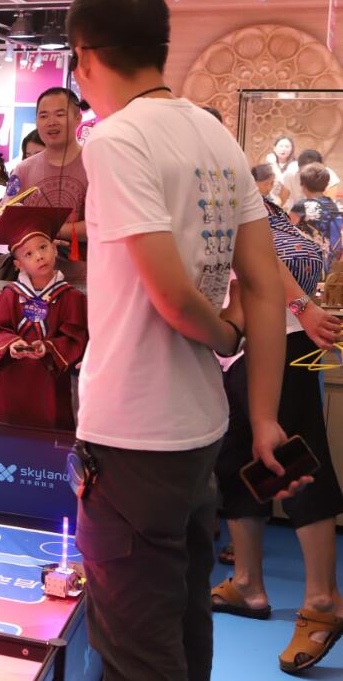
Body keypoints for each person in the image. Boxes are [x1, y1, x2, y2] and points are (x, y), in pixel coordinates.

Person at [69, 0, 292, 681]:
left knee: (135, 647)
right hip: (201, 426)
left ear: (85, 58)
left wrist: (224, 338)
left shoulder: (115, 140)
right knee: (187, 620)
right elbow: (264, 285)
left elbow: (169, 296)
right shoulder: (212, 131)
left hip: (133, 431)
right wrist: (263, 417)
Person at [211, 196, 343, 673]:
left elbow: (259, 254)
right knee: (236, 461)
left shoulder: (226, 183)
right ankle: (247, 583)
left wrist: (303, 308)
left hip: (281, 332)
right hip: (235, 342)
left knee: (295, 460)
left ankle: (323, 600)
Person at [0, 206, 87, 431]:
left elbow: (75, 336)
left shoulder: (70, 297)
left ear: (54, 249)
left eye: (43, 247)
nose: (39, 256)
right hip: (13, 378)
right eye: (28, 254)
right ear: (18, 264)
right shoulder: (11, 295)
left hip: (50, 381)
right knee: (9, 433)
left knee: (49, 433)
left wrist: (49, 347)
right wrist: (11, 344)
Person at [8, 87, 90, 283]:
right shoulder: (22, 170)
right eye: (43, 116)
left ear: (78, 118)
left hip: (85, 281)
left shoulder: (96, 165)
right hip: (33, 284)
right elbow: (7, 219)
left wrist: (47, 230)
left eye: (60, 114)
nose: (51, 122)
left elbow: (102, 225)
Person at [293, 163, 343, 266]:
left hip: (309, 260)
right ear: (326, 185)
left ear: (303, 186)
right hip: (331, 258)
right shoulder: (331, 204)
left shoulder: (302, 205)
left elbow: (287, 228)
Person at [266, 134, 297, 204]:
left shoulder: (294, 165)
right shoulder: (268, 164)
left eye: (287, 147)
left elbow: (283, 182)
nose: (283, 149)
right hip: (270, 201)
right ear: (274, 148)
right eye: (281, 146)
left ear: (292, 149)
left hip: (288, 202)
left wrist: (273, 164)